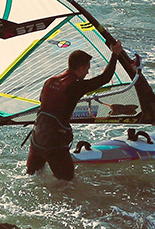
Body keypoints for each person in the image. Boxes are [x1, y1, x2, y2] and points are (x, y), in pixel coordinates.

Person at [26, 40, 124, 181]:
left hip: (37, 138)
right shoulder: (75, 86)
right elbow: (105, 78)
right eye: (87, 69)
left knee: (32, 178)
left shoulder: (50, 81)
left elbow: (45, 102)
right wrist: (115, 54)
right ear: (80, 68)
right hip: (54, 143)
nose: (87, 72)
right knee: (66, 183)